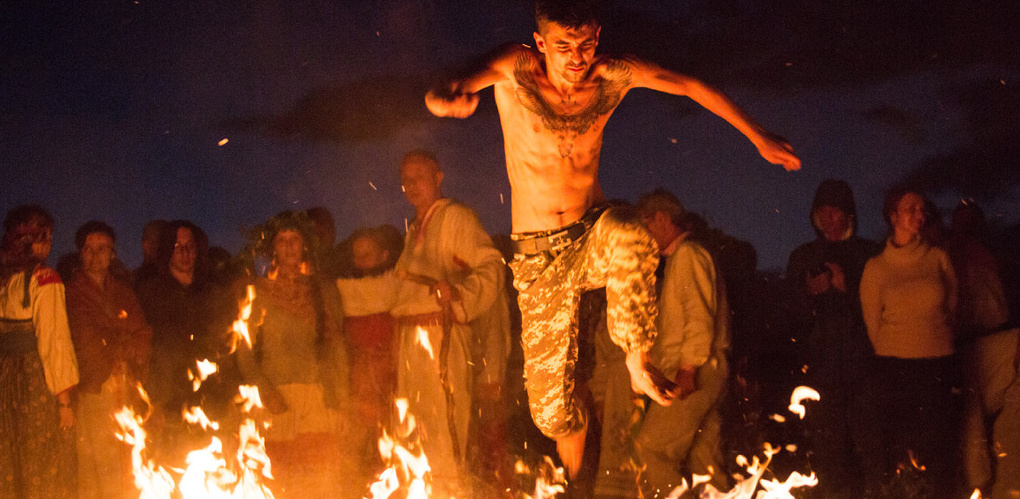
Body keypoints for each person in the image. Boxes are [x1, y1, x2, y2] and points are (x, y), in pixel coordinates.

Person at [425, 0, 800, 476]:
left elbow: (686, 85)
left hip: (591, 233)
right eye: (563, 48)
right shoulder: (516, 67)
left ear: (597, 37)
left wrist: (757, 134)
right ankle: (573, 422)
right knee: (549, 414)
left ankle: (637, 362)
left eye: (585, 45)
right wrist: (443, 100)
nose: (576, 58)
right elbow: (451, 83)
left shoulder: (613, 76)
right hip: (538, 256)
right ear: (541, 45)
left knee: (630, 231)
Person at [592, 189, 728, 497]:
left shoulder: (688, 256)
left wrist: (689, 369)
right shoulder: (686, 258)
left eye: (644, 226)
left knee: (651, 450)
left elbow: (698, 316)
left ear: (662, 219)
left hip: (697, 372)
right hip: (706, 369)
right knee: (703, 460)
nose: (641, 237)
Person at [391, 150, 507, 495]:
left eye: (420, 176)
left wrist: (459, 292)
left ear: (438, 177)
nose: (412, 184)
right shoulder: (413, 232)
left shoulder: (457, 217)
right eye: (406, 178)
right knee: (410, 432)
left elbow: (492, 266)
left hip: (441, 337)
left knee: (443, 431)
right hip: (411, 345)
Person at [237, 210, 349, 496]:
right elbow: (245, 350)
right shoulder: (257, 292)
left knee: (318, 480)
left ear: (305, 245)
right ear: (272, 247)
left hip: (317, 399)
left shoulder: (322, 291)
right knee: (280, 481)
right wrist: (264, 390)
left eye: (295, 239)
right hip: (277, 398)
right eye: (282, 240)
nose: (288, 247)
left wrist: (342, 399)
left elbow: (336, 348)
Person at [860, 186, 961, 498]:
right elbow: (873, 325)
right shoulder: (876, 268)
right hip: (894, 369)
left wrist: (933, 339)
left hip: (938, 365)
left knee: (939, 451)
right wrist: (900, 347)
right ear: (893, 217)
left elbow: (952, 306)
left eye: (922, 209)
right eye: (911, 208)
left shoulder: (938, 258)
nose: (920, 214)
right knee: (896, 449)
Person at [785, 179, 881, 498]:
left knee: (869, 447)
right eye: (822, 211)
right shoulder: (803, 257)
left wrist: (846, 289)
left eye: (835, 211)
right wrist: (810, 294)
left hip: (863, 367)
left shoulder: (869, 255)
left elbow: (883, 310)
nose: (828, 218)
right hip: (821, 369)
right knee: (828, 449)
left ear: (848, 214)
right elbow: (791, 314)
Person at [65, 221, 152, 499]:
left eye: (102, 249)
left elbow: (141, 330)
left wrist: (124, 345)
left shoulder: (123, 291)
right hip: (95, 387)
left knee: (127, 459)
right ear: (81, 253)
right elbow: (83, 337)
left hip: (126, 386)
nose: (95, 255)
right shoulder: (72, 292)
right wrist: (118, 344)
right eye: (89, 249)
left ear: (112, 253)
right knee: (97, 460)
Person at [0, 205, 79, 499]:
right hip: (35, 386)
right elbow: (54, 342)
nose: (48, 245)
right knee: (44, 465)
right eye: (44, 237)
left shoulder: (5, 280)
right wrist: (64, 403)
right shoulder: (44, 278)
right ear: (29, 240)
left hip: (5, 384)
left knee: (9, 459)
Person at [947, 201, 1018, 495]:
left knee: (997, 412)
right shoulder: (950, 254)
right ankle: (982, 482)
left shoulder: (983, 255)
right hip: (962, 349)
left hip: (989, 344)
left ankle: (1003, 483)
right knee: (972, 416)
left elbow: (996, 310)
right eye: (960, 221)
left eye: (969, 221)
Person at [134, 220, 216, 461]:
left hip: (210, 400)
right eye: (177, 246)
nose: (184, 252)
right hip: (168, 403)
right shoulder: (150, 293)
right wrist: (155, 402)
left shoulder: (210, 291)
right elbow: (150, 348)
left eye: (189, 245)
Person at [335, 226, 401, 470]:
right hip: (358, 383)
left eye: (368, 254)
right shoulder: (344, 290)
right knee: (359, 446)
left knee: (393, 443)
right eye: (357, 255)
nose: (361, 261)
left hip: (390, 379)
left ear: (384, 256)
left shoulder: (396, 285)